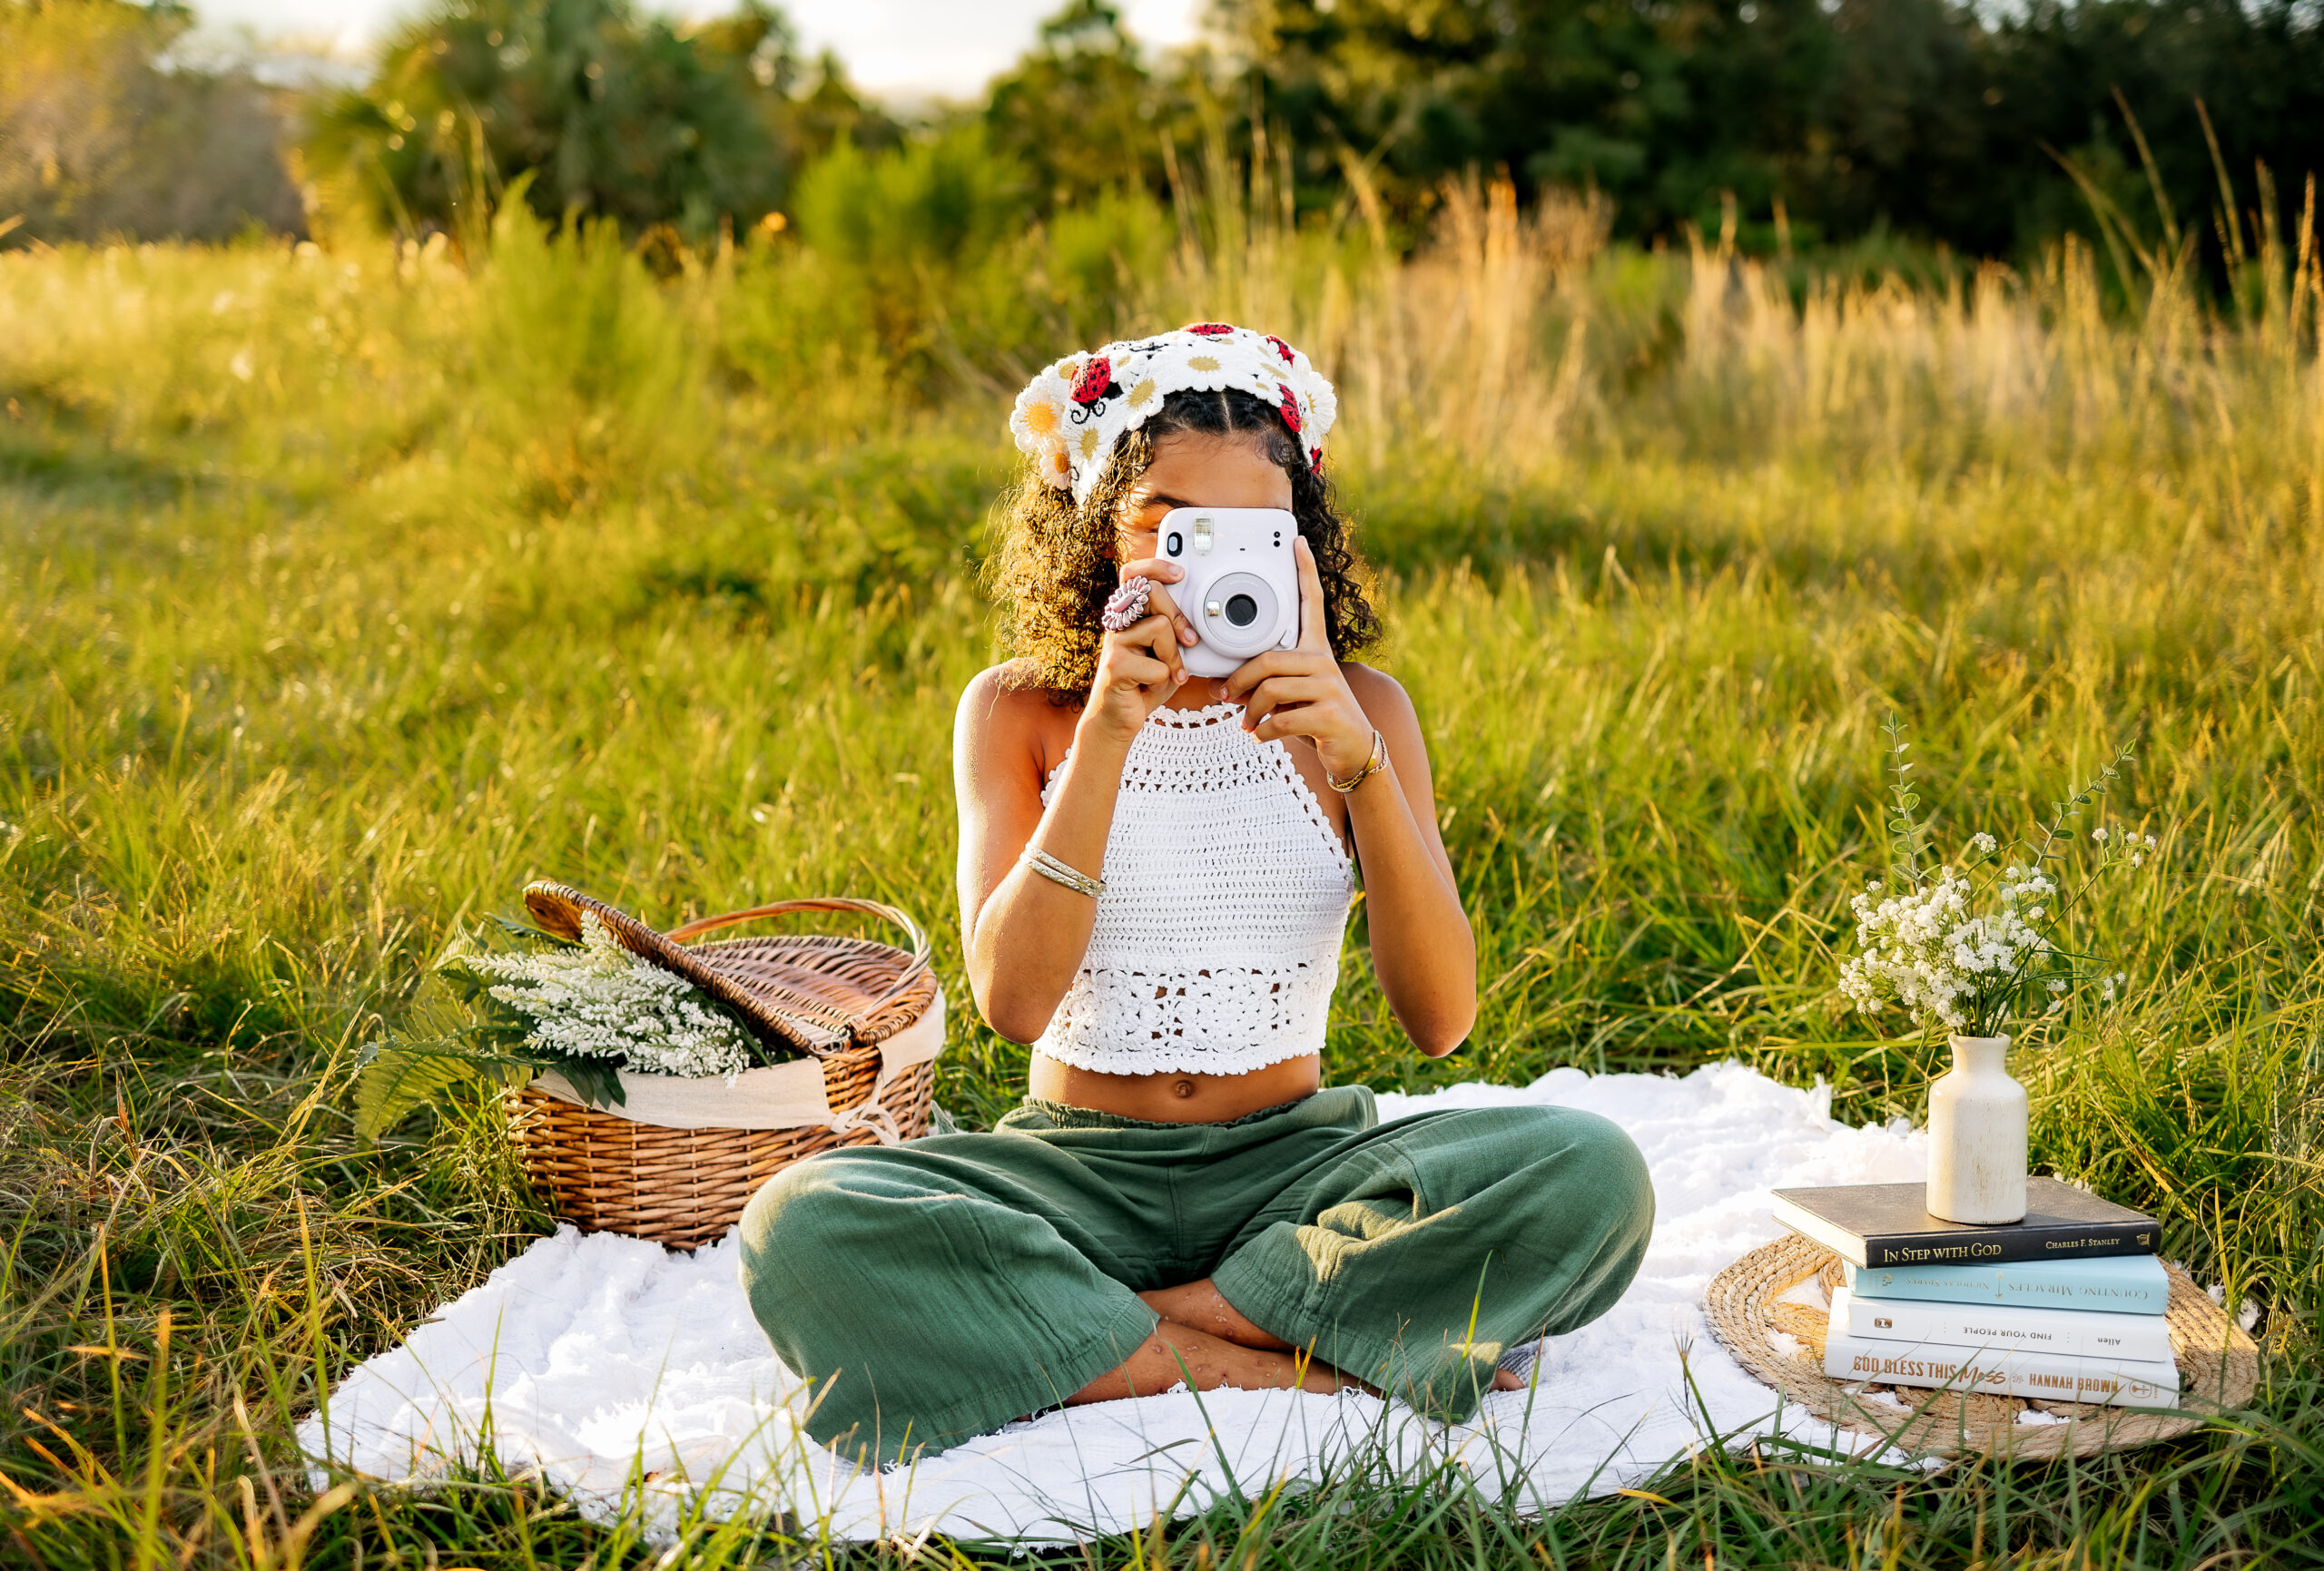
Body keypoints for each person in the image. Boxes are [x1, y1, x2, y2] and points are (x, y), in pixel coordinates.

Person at [738, 325, 1653, 1464]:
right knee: (800, 1223)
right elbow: (1013, 1003)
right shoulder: (1019, 711)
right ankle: (1270, 1359)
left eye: (1252, 529)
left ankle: (1109, 1335)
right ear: (1095, 527)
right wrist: (1110, 735)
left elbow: (1440, 1020)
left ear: (1300, 543)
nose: (1207, 561)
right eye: (1170, 522)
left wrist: (1359, 761)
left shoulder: (1367, 707)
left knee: (1590, 1173)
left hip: (1298, 1169)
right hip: (1070, 1174)